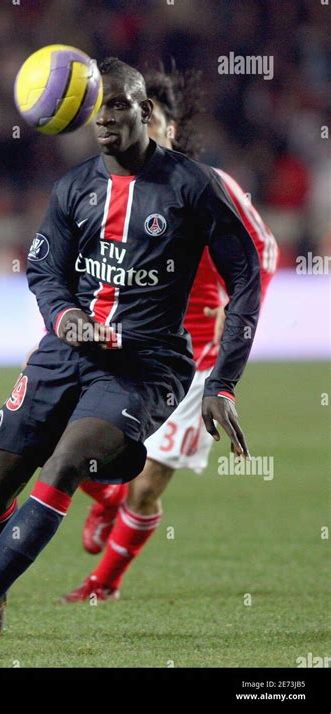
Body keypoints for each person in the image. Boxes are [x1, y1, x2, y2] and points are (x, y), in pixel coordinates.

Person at [0, 57, 261, 656]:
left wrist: (223, 383)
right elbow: (43, 268)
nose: (104, 117)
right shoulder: (75, 187)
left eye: (117, 105)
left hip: (146, 366)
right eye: (96, 108)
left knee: (65, 462)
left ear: (142, 112)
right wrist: (65, 317)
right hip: (64, 354)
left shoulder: (191, 186)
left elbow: (247, 275)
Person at [62, 62, 278, 603]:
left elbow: (264, 250)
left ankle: (102, 586)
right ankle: (105, 497)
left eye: (146, 116)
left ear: (168, 130)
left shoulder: (209, 186)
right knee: (57, 439)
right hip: (124, 345)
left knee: (149, 484)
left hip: (194, 360)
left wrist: (238, 304)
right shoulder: (111, 190)